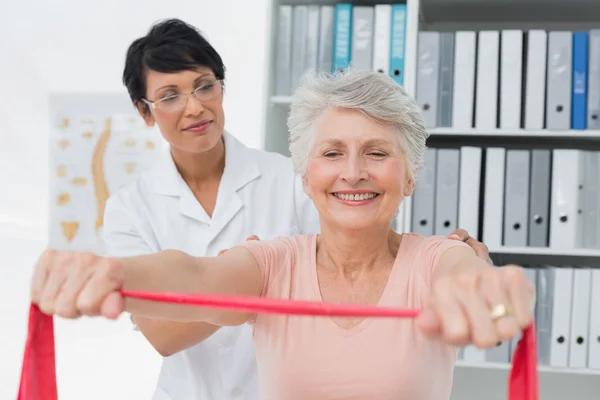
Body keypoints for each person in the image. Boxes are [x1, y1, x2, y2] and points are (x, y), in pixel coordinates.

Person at [31, 68, 533, 400]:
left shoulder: (439, 258)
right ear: (306, 175)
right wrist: (111, 271)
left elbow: (481, 289)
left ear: (410, 177)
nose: (353, 172)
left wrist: (497, 296)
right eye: (332, 153)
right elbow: (194, 273)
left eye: (377, 154)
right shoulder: (272, 263)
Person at [106, 18, 492, 400]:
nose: (193, 108)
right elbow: (160, 331)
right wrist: (242, 282)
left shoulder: (289, 175)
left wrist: (459, 270)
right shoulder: (129, 207)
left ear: (222, 88)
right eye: (170, 95)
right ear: (145, 111)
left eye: (204, 86)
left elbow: (354, 260)